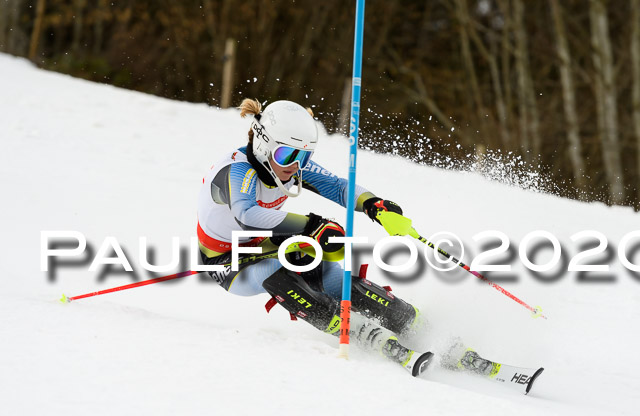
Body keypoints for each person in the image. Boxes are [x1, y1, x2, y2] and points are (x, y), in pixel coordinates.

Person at [196, 98, 514, 380]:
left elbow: (339, 187)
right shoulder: (237, 172)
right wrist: (311, 226)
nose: (295, 165)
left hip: (268, 244)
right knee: (275, 274)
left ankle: (417, 327)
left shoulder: (287, 167)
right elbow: (246, 214)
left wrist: (373, 205)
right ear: (264, 144)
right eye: (287, 154)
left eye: (304, 157)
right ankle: (363, 332)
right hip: (227, 259)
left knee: (330, 274)